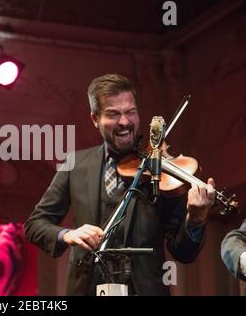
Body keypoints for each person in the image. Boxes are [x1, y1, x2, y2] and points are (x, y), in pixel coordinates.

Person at [24, 74, 216, 295]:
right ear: (95, 119)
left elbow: (184, 253)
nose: (125, 122)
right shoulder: (74, 165)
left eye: (130, 112)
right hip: (87, 289)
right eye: (113, 114)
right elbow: (35, 224)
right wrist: (69, 235)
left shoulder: (159, 169)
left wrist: (196, 218)